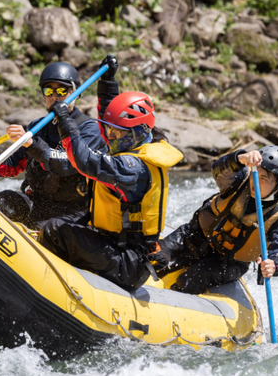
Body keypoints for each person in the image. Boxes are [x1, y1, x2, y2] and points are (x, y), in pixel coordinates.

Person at [39, 91, 184, 291]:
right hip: (121, 249)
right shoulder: (137, 147)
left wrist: (64, 120)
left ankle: (46, 290)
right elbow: (114, 115)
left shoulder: (133, 167)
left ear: (139, 131)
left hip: (127, 262)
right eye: (109, 129)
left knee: (55, 230)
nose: (111, 136)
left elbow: (86, 162)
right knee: (65, 221)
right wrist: (108, 82)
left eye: (118, 132)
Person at [0, 59, 110, 229]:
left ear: (75, 92)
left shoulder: (89, 129)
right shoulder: (37, 127)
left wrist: (31, 144)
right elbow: (12, 165)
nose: (54, 96)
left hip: (71, 213)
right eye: (48, 90)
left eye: (61, 90)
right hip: (37, 203)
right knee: (2, 201)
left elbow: (68, 164)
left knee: (47, 228)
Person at [155, 146, 278, 294]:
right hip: (194, 236)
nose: (255, 182)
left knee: (193, 277)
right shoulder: (241, 176)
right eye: (255, 175)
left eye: (263, 179)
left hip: (229, 263)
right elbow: (217, 170)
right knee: (155, 255)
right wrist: (238, 159)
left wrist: (274, 265)